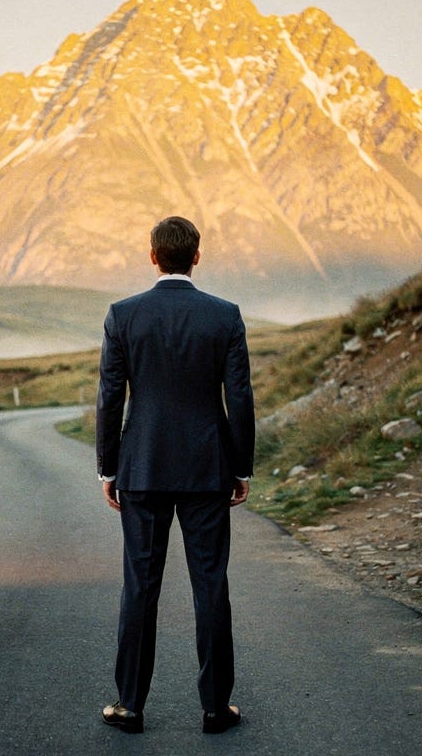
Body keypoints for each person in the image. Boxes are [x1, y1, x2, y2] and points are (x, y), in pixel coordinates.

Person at [95, 215, 255, 735]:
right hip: (208, 469)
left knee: (140, 587)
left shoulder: (123, 316)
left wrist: (108, 466)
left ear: (152, 256)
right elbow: (241, 398)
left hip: (141, 468)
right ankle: (215, 708)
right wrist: (241, 465)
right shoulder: (224, 316)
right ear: (197, 257)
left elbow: (110, 398)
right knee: (210, 585)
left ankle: (130, 705)